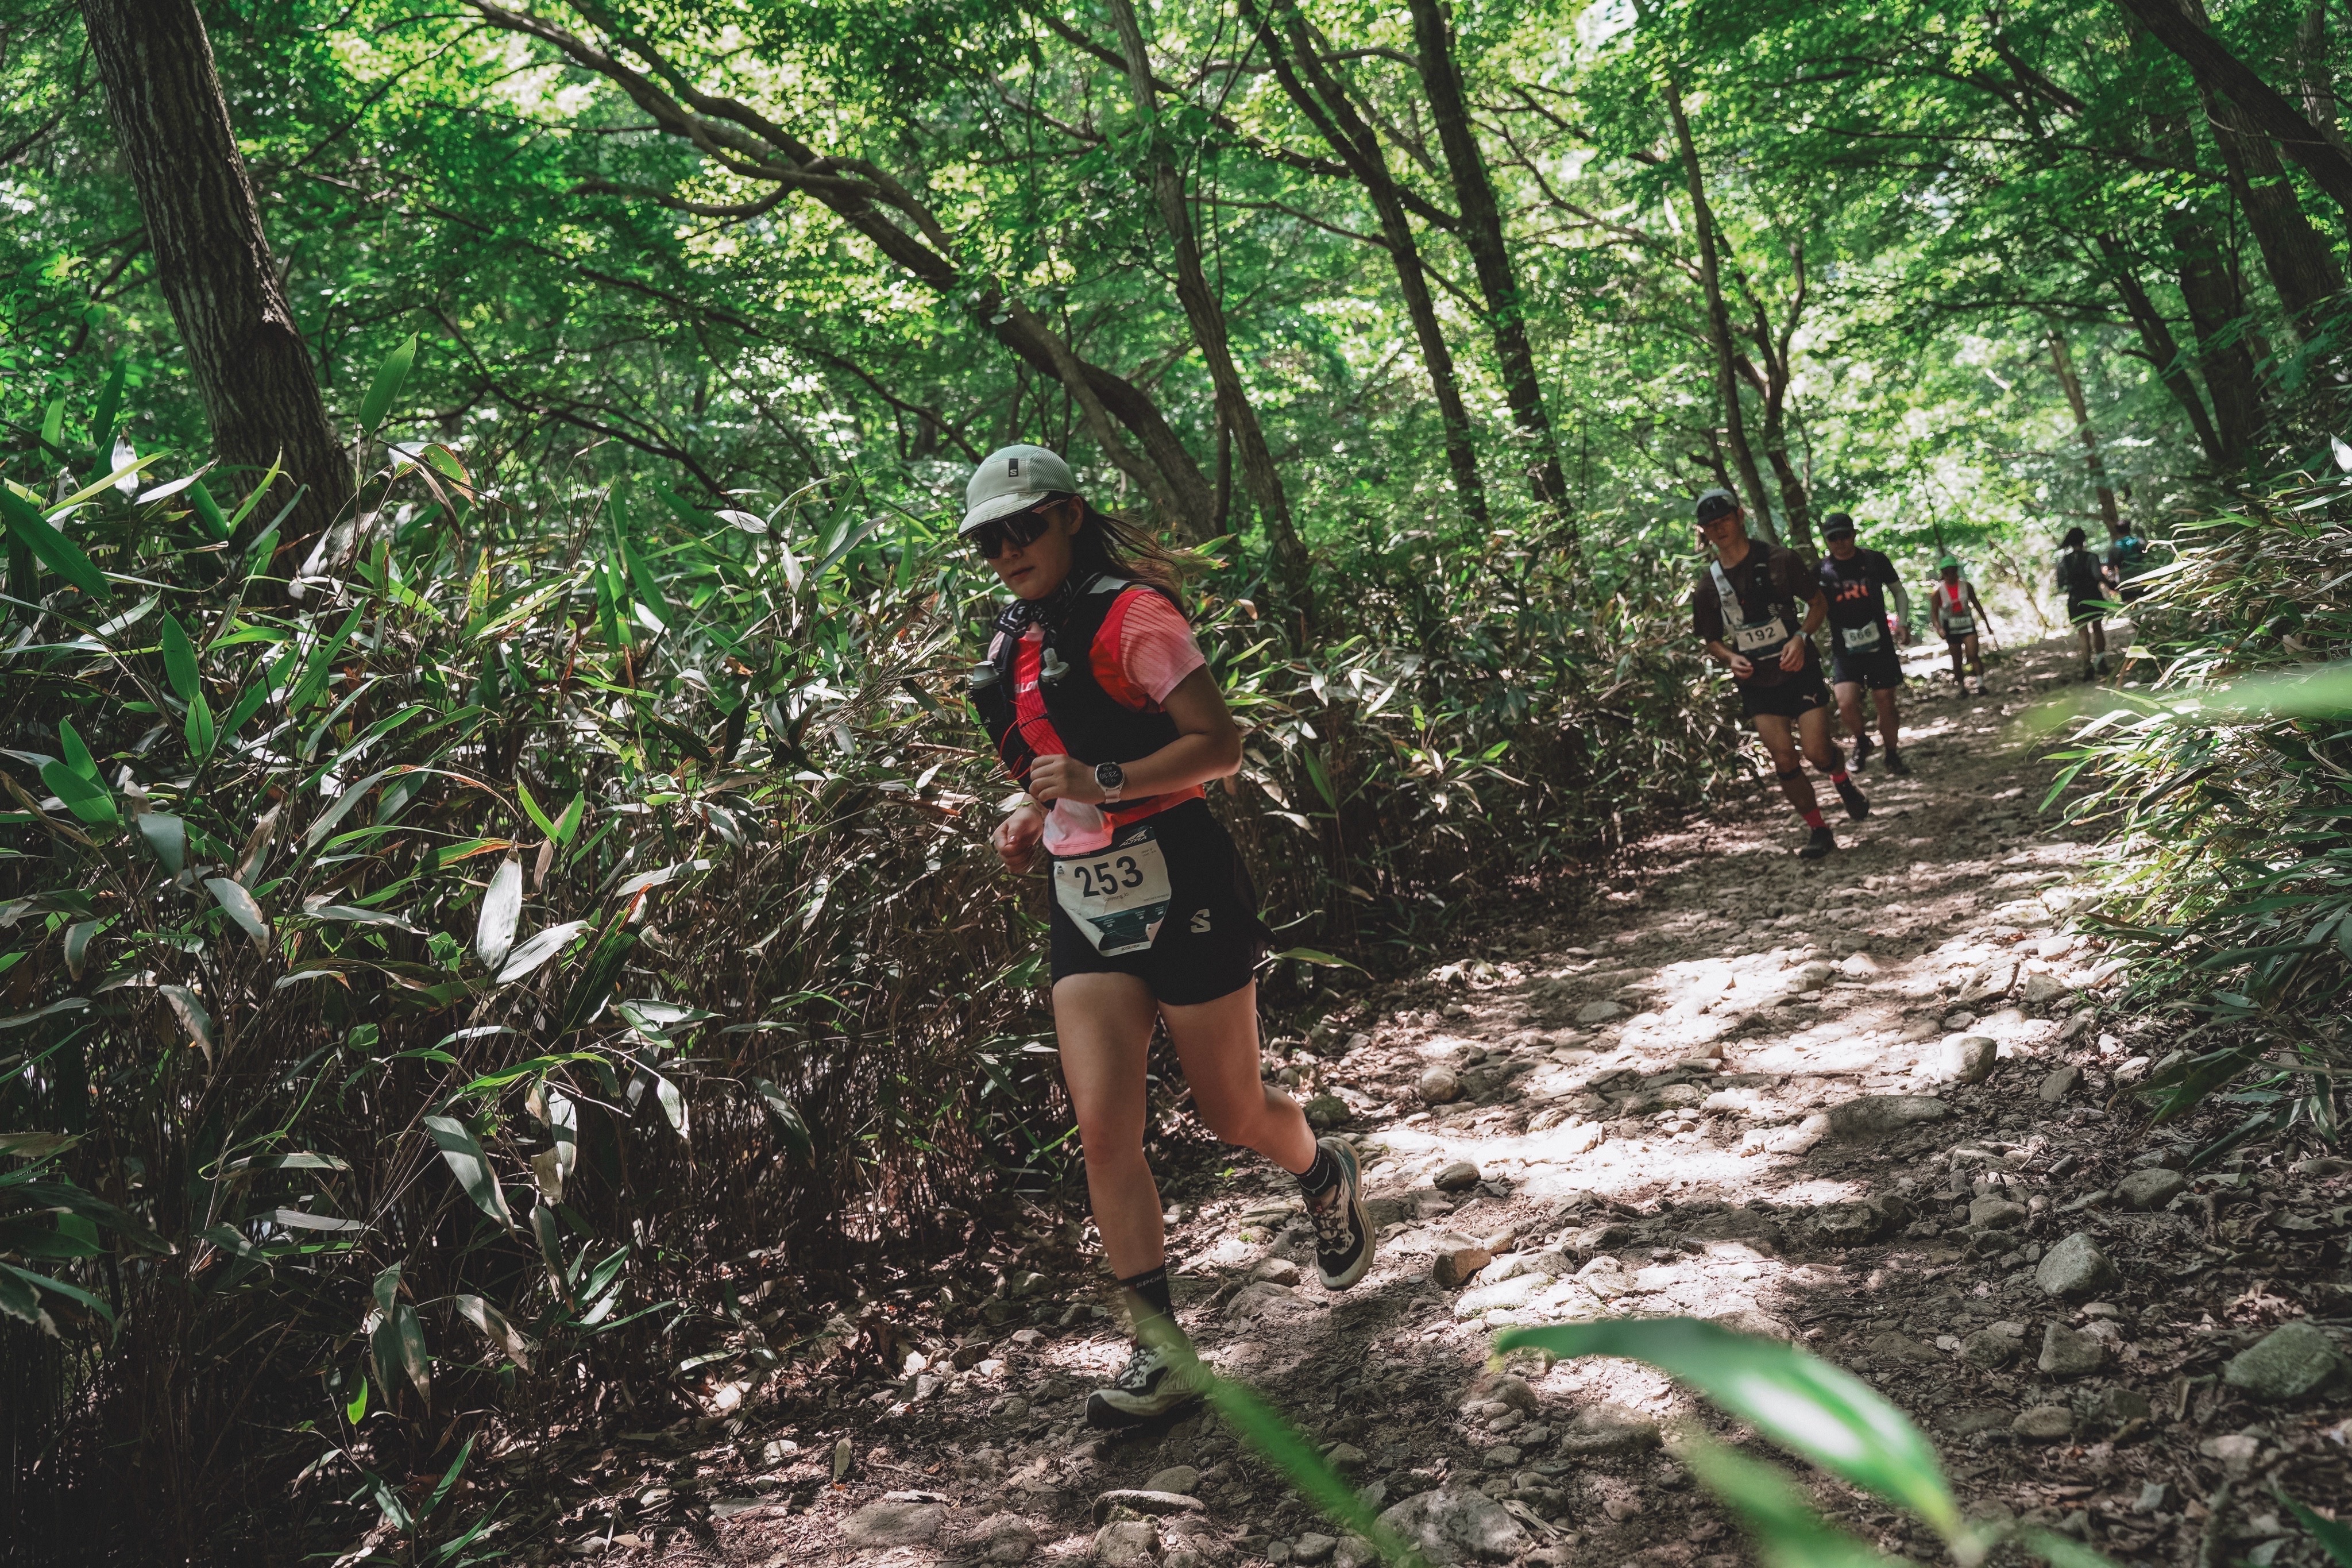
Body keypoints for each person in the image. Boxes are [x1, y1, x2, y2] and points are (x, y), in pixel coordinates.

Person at [960, 445, 1373, 1430]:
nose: (1004, 553)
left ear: (1066, 516)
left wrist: (1102, 783)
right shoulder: (1014, 639)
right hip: (1084, 894)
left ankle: (1322, 1172)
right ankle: (1166, 1356)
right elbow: (1051, 765)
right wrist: (1031, 818)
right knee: (1105, 1129)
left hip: (1181, 871)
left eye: (1021, 529)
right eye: (987, 540)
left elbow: (1219, 746)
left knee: (1232, 1111)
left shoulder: (1135, 616)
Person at [1690, 488, 1869, 860]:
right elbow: (1710, 639)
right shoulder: (1708, 584)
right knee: (1784, 759)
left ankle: (1841, 779)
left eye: (1723, 519)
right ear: (1703, 531)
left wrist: (1801, 638)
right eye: (1710, 524)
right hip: (1756, 680)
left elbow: (1817, 603)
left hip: (1798, 669)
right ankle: (1818, 829)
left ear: (1740, 516)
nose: (1718, 528)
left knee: (1818, 752)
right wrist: (1728, 658)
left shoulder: (1778, 560)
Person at [1816, 512, 1914, 777]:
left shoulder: (1873, 560)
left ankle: (1892, 754)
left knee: (1885, 701)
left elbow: (1899, 591)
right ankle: (1862, 741)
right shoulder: (1822, 571)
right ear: (1826, 540)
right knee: (1845, 702)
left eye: (1844, 536)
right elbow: (1811, 607)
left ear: (1854, 534)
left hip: (1879, 645)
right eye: (1833, 538)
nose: (1840, 542)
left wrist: (1902, 623)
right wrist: (1803, 636)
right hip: (1845, 649)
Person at [1928, 557, 1992, 696]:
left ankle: (1981, 685)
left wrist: (1987, 623)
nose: (1951, 575)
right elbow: (1934, 612)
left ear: (1956, 571)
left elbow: (1976, 604)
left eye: (1953, 572)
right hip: (1950, 627)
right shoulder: (1938, 591)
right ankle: (1962, 688)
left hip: (1967, 624)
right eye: (1947, 573)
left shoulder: (1966, 586)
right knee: (1956, 660)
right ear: (1943, 574)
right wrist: (1939, 628)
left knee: (1973, 655)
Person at [2056, 526, 2109, 679]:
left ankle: (2087, 665)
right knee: (2098, 629)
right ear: (2084, 540)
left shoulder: (2063, 562)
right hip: (2093, 597)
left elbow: (2061, 585)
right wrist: (2110, 584)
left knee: (2082, 633)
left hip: (2075, 600)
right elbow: (2098, 575)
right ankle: (2100, 661)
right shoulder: (2091, 557)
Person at [2106, 529, 2151, 607]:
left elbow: (2111, 567)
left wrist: (2112, 580)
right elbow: (2149, 557)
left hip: (2126, 582)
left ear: (2117, 532)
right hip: (2143, 578)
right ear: (2129, 529)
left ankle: (2135, 618)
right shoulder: (2139, 542)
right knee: (2147, 603)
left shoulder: (2115, 548)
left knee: (2131, 606)